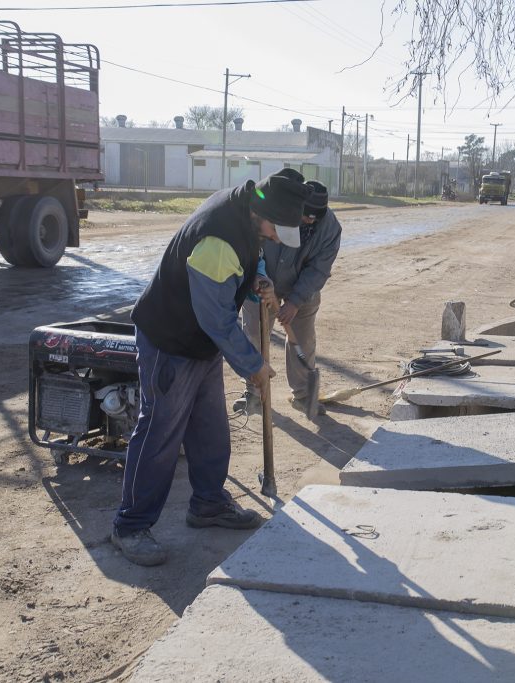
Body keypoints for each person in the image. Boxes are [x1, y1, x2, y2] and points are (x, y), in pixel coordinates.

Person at [111, 169, 312, 566]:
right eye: (275, 230)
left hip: (201, 346)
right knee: (159, 435)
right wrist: (253, 365)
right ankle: (130, 526)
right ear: (262, 212)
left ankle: (207, 504)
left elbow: (246, 255)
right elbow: (215, 317)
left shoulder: (245, 208)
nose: (274, 238)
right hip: (171, 341)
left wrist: (257, 276)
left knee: (210, 431)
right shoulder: (219, 237)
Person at [234, 180, 342, 417]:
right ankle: (254, 392)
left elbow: (319, 270)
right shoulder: (273, 209)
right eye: (306, 216)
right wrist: (258, 276)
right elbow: (253, 243)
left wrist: (295, 302)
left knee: (302, 339)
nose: (310, 221)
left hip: (302, 286)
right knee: (254, 333)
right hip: (262, 279)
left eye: (315, 218)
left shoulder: (330, 228)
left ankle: (303, 395)